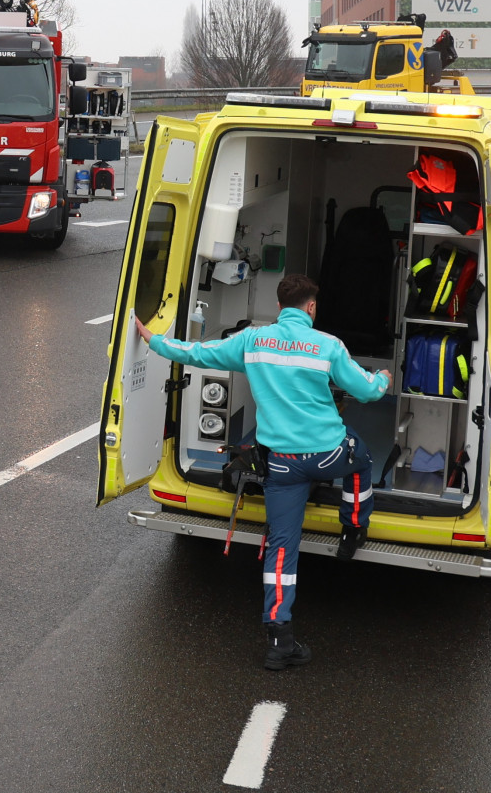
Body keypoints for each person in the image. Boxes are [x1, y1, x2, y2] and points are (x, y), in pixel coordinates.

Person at [132, 273, 390, 671]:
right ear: (312, 307)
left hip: (281, 464)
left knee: (281, 548)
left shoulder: (253, 340)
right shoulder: (328, 346)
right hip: (326, 455)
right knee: (363, 457)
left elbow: (200, 354)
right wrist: (383, 379)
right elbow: (366, 391)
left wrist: (154, 340)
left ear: (279, 306)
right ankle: (353, 527)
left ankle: (278, 640)